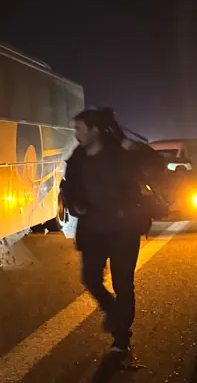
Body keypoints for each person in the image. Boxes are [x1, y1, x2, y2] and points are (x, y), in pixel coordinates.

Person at [61, 108, 151, 353]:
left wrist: (125, 142)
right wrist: (75, 204)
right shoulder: (77, 158)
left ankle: (121, 338)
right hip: (93, 232)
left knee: (123, 284)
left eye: (79, 129)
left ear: (95, 130)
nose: (76, 134)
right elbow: (69, 189)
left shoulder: (120, 153)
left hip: (124, 231)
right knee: (90, 279)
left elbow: (152, 163)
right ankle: (114, 313)